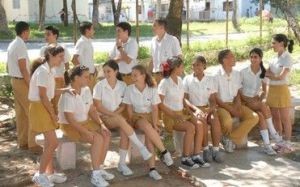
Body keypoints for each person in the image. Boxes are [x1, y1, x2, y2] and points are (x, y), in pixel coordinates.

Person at [93, 60, 152, 176]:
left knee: (125, 131)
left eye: (108, 71)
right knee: (121, 121)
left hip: (117, 117)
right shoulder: (99, 86)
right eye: (104, 72)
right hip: (103, 119)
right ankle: (141, 147)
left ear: (116, 71)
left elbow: (123, 105)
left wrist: (115, 114)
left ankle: (121, 164)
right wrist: (113, 114)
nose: (106, 74)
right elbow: (98, 106)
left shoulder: (123, 85)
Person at [59, 65, 113, 187]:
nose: (89, 79)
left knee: (106, 134)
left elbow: (92, 111)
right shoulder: (68, 94)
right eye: (86, 77)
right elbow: (70, 120)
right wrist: (86, 132)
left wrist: (102, 125)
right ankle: (95, 175)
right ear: (76, 78)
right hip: (70, 125)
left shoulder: (86, 89)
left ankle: (99, 168)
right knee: (97, 139)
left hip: (85, 121)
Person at [123, 64, 174, 180]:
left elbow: (155, 108)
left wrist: (155, 123)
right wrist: (131, 121)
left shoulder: (152, 89)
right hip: (137, 117)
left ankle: (152, 169)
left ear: (143, 76)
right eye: (132, 75)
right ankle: (164, 152)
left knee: (149, 137)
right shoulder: (129, 89)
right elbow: (129, 108)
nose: (133, 77)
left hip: (151, 116)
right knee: (146, 126)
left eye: (135, 75)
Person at [158, 57, 210, 169]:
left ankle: (196, 155)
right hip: (170, 116)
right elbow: (160, 104)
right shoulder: (164, 82)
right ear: (175, 68)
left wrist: (192, 114)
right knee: (190, 127)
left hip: (181, 112)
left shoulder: (180, 80)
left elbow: (182, 99)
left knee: (199, 123)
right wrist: (174, 115)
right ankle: (185, 158)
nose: (183, 68)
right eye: (181, 66)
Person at [29, 45, 67, 186]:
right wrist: (53, 114)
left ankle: (49, 173)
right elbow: (43, 96)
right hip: (40, 108)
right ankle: (40, 174)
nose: (62, 60)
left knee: (49, 143)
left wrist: (66, 90)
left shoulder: (49, 70)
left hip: (42, 107)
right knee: (53, 142)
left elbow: (50, 93)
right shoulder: (43, 72)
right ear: (50, 55)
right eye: (60, 57)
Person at [6, 21, 42, 154]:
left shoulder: (13, 43)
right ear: (25, 31)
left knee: (21, 113)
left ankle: (23, 142)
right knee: (31, 111)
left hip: (15, 80)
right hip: (21, 81)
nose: (29, 34)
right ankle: (33, 144)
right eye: (29, 31)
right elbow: (23, 68)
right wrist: (30, 84)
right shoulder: (20, 45)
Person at [214, 49, 259, 152]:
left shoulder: (237, 74)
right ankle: (229, 141)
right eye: (232, 56)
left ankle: (229, 139)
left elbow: (238, 92)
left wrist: (238, 104)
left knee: (254, 117)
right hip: (221, 106)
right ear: (224, 60)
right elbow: (216, 98)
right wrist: (231, 109)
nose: (235, 58)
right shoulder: (215, 76)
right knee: (227, 122)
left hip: (235, 103)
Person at [183, 55, 224, 163]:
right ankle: (205, 149)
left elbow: (212, 99)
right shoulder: (187, 79)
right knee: (202, 121)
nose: (196, 67)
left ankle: (216, 149)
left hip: (207, 107)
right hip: (192, 108)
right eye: (193, 65)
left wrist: (210, 109)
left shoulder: (210, 79)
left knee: (215, 120)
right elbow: (185, 100)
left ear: (204, 66)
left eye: (198, 64)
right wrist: (196, 110)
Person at [240, 48, 280, 155]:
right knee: (263, 107)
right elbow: (238, 91)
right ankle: (274, 133)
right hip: (243, 101)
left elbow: (264, 91)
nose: (253, 59)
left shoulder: (263, 73)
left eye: (255, 57)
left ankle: (267, 145)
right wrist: (248, 99)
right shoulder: (243, 72)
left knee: (261, 116)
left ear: (260, 58)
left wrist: (261, 98)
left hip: (255, 102)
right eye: (251, 57)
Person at [265, 34, 294, 153]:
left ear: (281, 43)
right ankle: (279, 141)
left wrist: (272, 75)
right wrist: (273, 76)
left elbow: (282, 77)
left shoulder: (287, 58)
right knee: (275, 117)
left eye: (274, 43)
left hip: (282, 90)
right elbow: (266, 73)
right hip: (271, 89)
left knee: (285, 118)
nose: (272, 45)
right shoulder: (273, 58)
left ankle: (287, 142)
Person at [40, 25, 71, 114]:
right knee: (48, 103)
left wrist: (67, 80)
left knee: (58, 104)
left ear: (55, 35)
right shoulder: (43, 49)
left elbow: (67, 64)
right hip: (47, 80)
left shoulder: (63, 48)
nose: (46, 37)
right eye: (45, 34)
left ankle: (57, 124)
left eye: (48, 34)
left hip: (59, 79)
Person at [149, 18, 182, 85]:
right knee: (158, 94)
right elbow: (152, 59)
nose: (153, 27)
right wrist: (148, 73)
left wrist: (174, 73)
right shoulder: (153, 40)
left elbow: (179, 58)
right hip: (156, 75)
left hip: (169, 75)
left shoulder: (172, 40)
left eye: (155, 25)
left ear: (162, 27)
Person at [72, 21, 96, 90]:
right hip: (86, 77)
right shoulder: (81, 42)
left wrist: (94, 69)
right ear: (87, 30)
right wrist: (83, 74)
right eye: (92, 29)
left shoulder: (88, 41)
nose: (94, 31)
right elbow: (74, 60)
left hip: (91, 75)